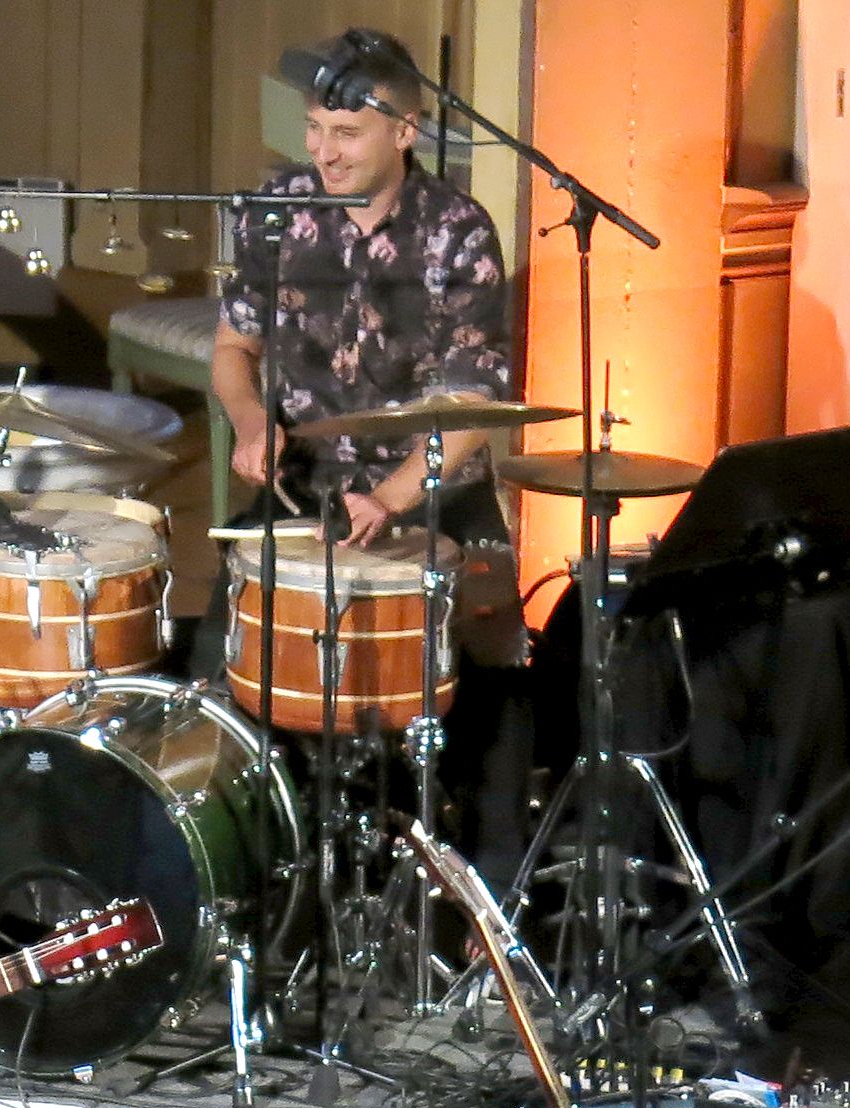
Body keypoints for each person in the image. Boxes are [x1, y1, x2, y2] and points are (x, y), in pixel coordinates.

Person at [203, 30, 537, 882]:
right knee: (218, 661)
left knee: (497, 672)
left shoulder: (458, 231)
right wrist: (250, 420)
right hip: (304, 494)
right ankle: (249, 883)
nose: (324, 152)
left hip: (433, 494)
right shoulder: (277, 211)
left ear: (405, 130)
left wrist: (391, 496)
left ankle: (491, 898)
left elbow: (476, 402)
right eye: (315, 129)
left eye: (346, 134)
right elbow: (233, 350)